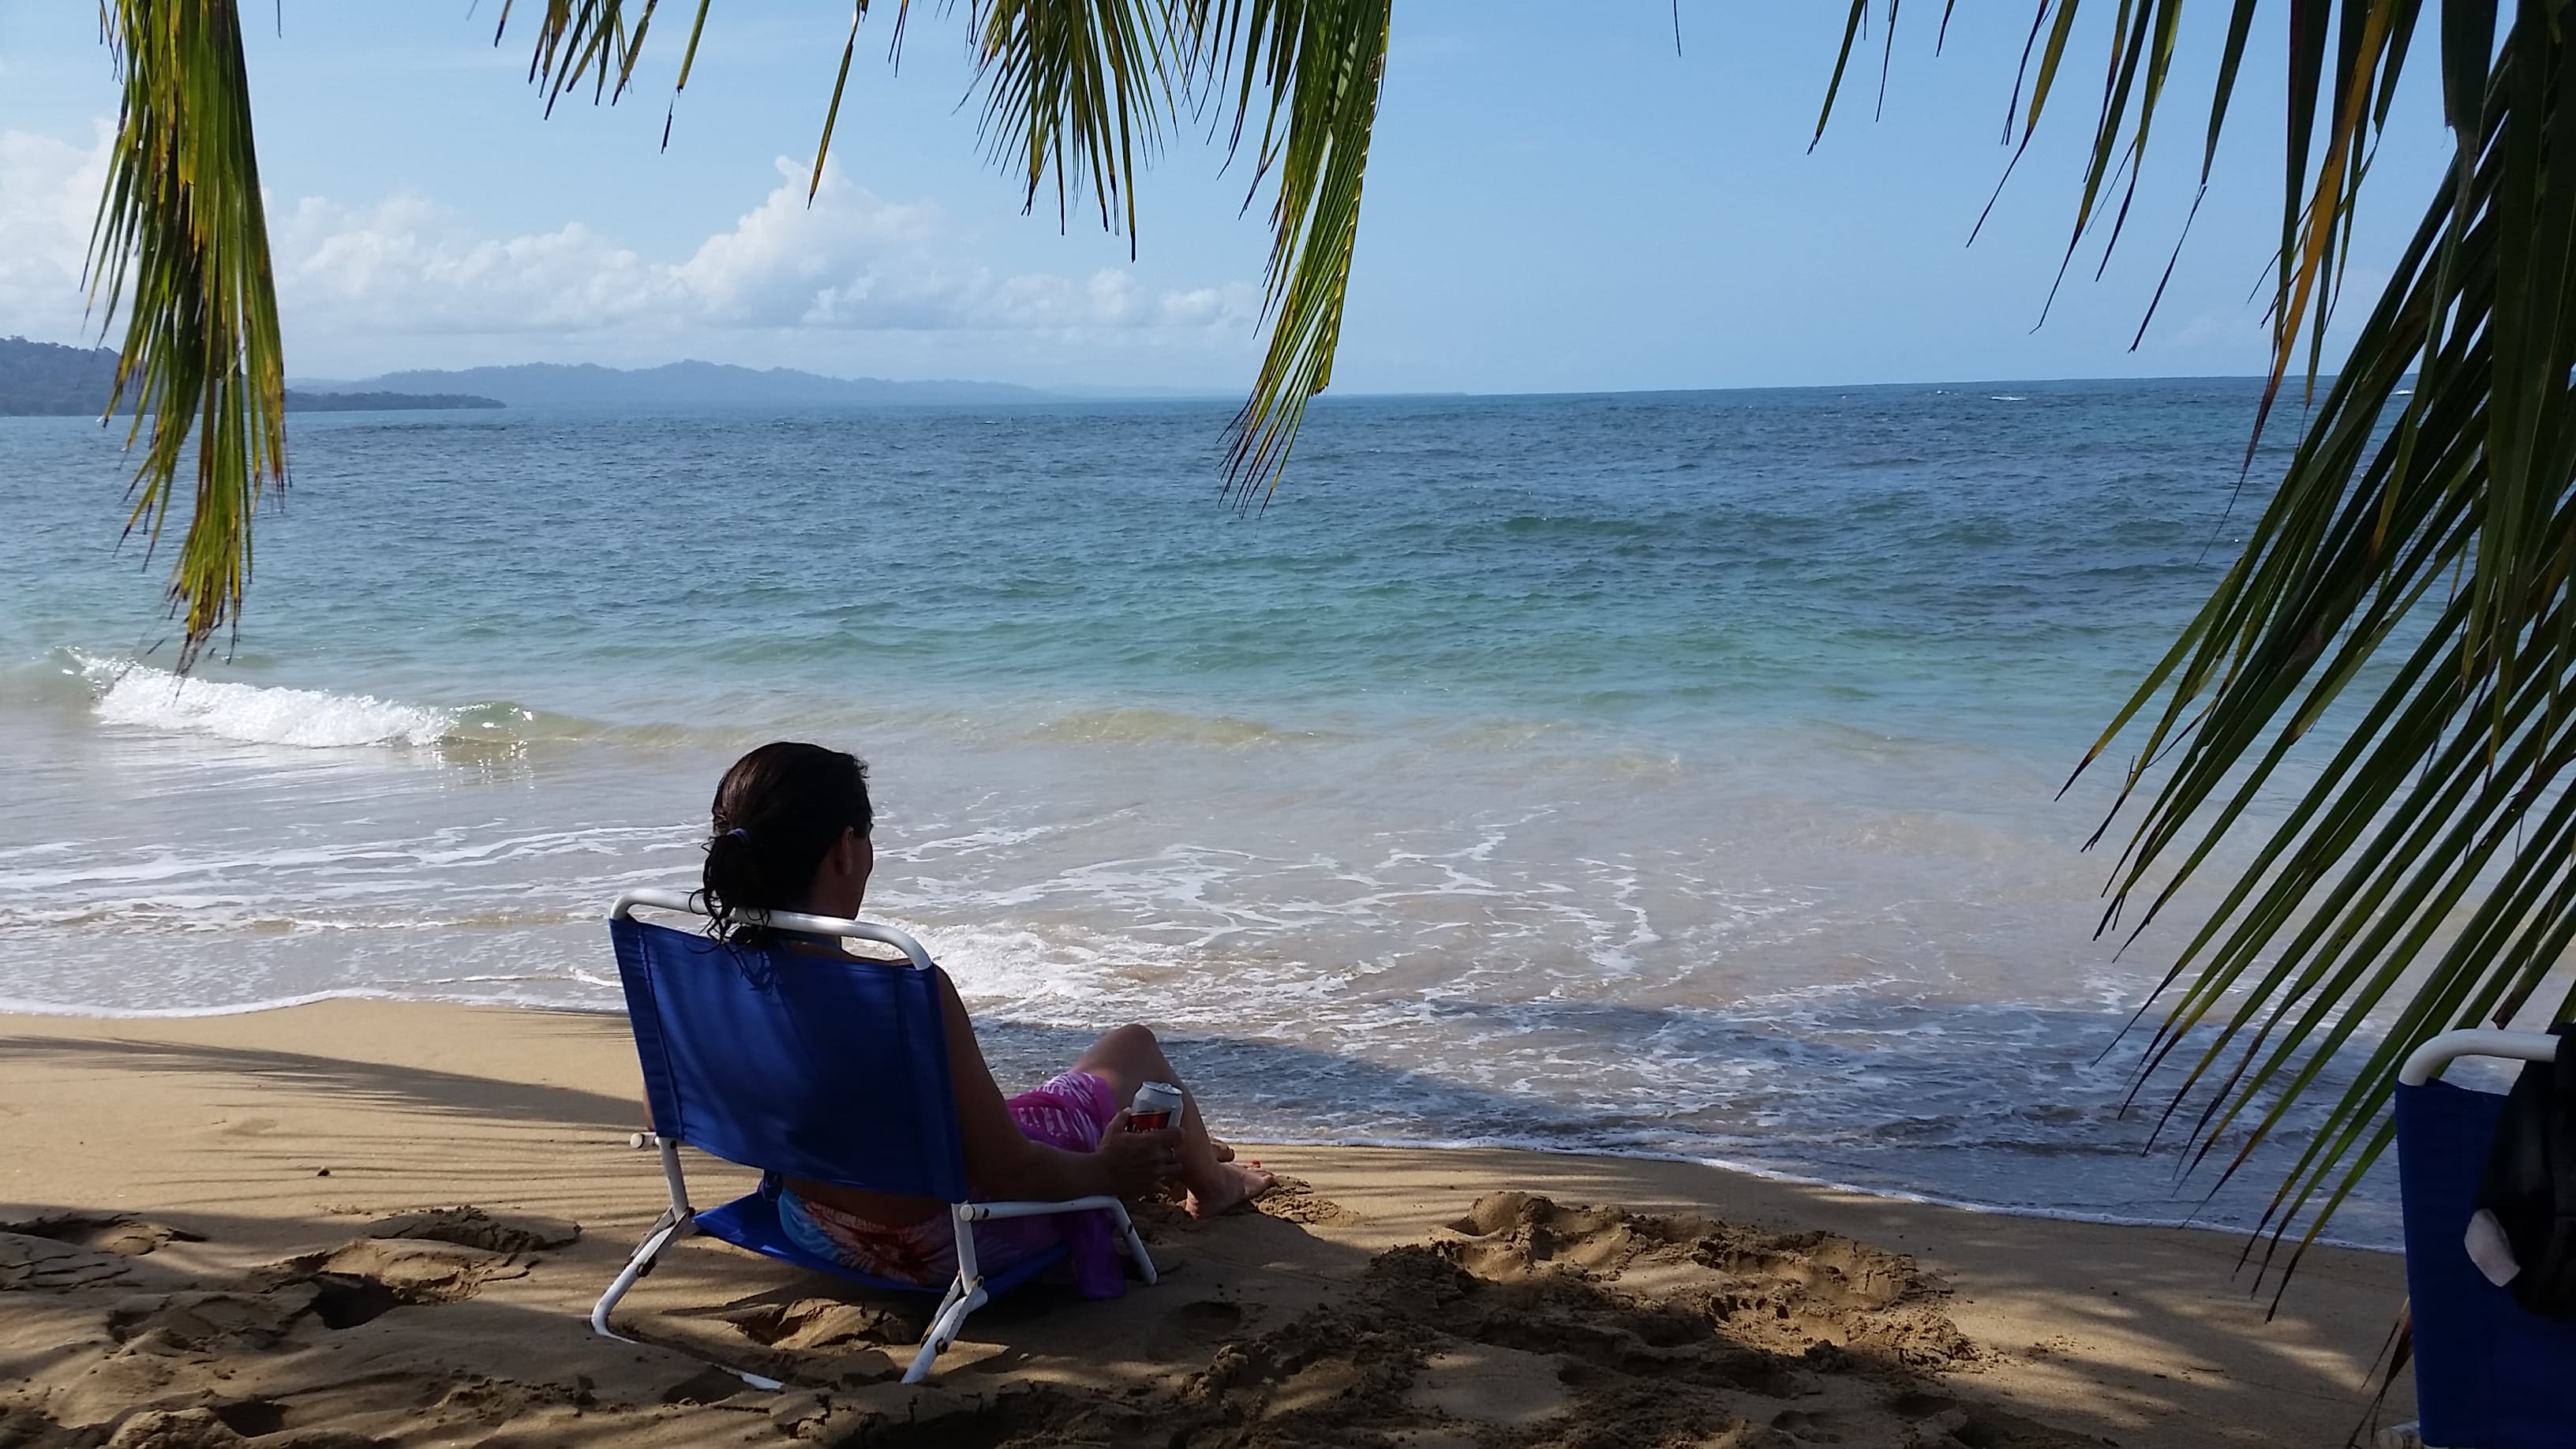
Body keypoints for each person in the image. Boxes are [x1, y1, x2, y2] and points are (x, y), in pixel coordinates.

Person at [695, 741, 1273, 1297]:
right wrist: (1109, 1171)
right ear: (845, 850)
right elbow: (1011, 1176)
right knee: (1133, 1048)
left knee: (980, 1116)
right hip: (950, 1242)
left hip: (814, 1226)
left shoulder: (706, 978)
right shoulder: (904, 993)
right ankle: (1214, 1185)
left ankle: (1198, 1153)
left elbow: (666, 1107)